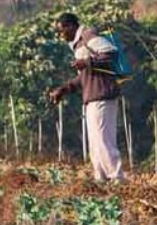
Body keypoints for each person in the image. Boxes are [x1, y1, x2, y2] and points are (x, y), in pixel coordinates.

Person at [46, 12, 124, 182]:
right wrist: (64, 89)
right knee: (95, 142)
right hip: (92, 97)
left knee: (103, 140)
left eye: (61, 31)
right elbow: (83, 77)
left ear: (70, 26)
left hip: (103, 94)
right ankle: (101, 178)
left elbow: (111, 53)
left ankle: (117, 178)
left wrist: (87, 62)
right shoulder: (78, 45)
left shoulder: (88, 35)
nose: (61, 36)